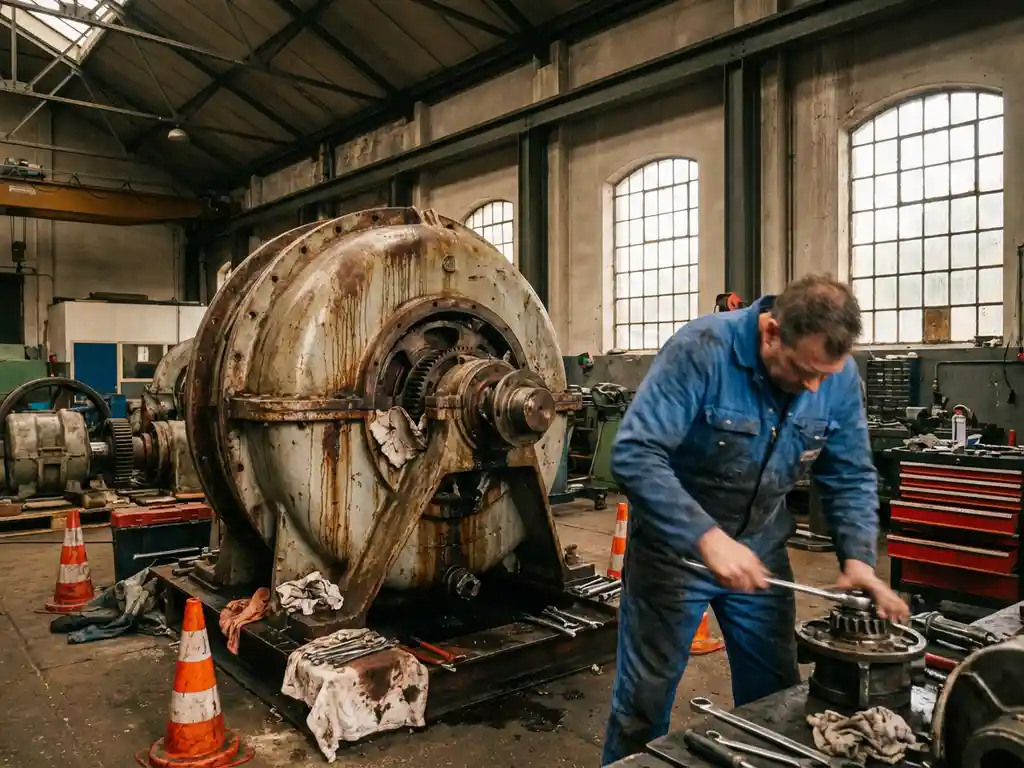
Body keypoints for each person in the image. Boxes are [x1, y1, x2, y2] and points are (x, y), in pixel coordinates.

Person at [602, 274, 909, 765]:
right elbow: (636, 453)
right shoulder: (700, 349)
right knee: (643, 703)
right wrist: (706, 538)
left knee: (776, 700)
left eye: (824, 376)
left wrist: (859, 560)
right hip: (674, 555)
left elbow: (849, 472)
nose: (814, 387)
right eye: (803, 370)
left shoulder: (837, 375)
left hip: (761, 553)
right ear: (770, 333)